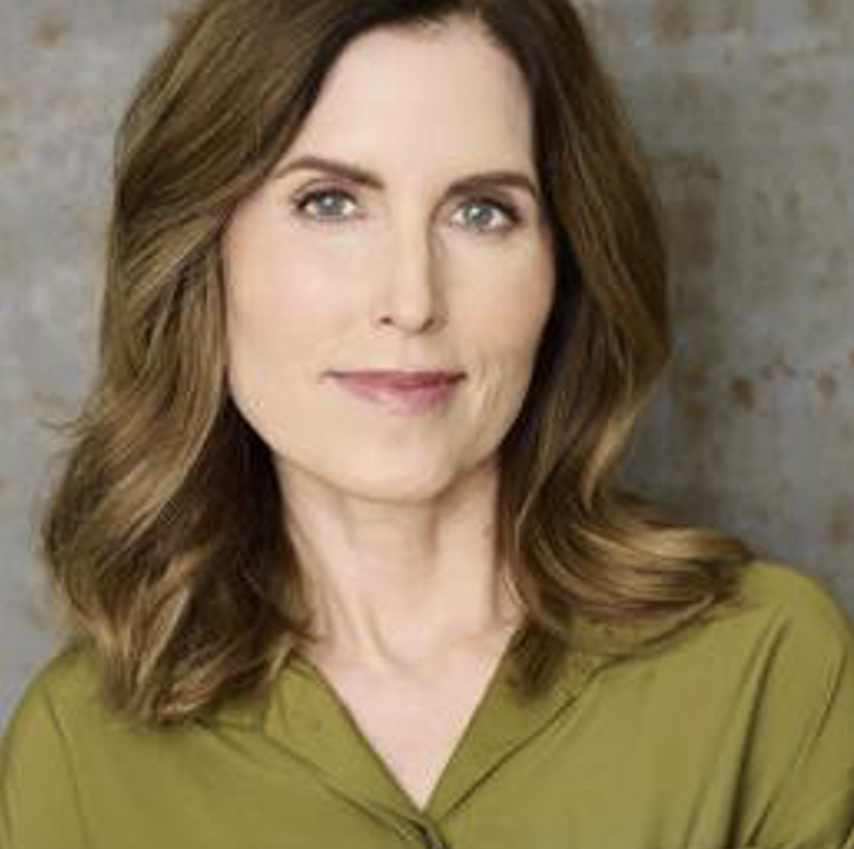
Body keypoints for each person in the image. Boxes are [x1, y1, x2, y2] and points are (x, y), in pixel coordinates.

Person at [1, 0, 852, 847]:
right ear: (201, 252)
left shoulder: (770, 670)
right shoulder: (75, 753)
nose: (412, 301)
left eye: (481, 211)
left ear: (563, 269)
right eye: (330, 202)